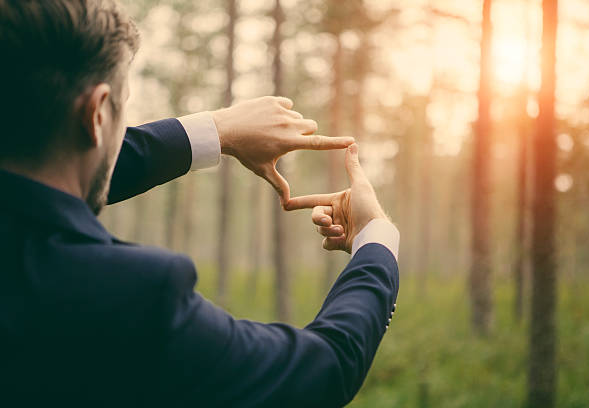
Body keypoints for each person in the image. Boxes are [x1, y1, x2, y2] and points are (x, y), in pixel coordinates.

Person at [0, 1, 400, 407]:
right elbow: (324, 368)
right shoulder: (129, 296)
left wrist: (219, 129)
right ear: (98, 115)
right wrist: (377, 239)